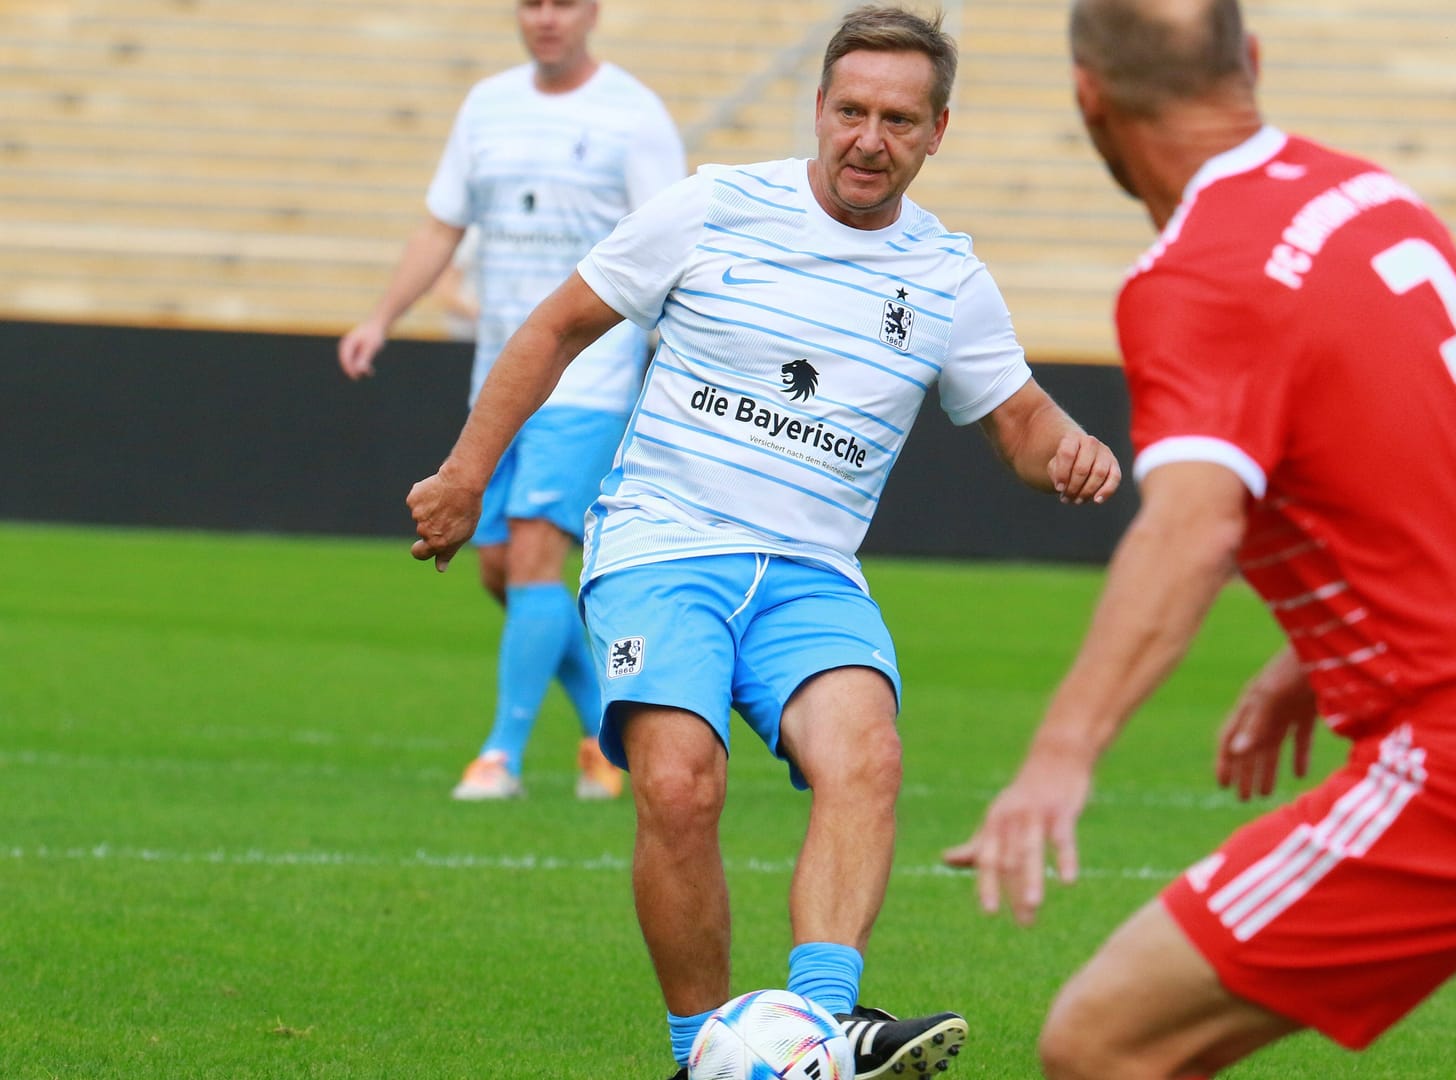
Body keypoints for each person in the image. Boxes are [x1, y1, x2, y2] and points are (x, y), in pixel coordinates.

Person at [942, 1, 1456, 1078]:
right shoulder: (1372, 193)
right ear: (1250, 62)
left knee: (1103, 1046)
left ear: (1091, 97)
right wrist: (1310, 656)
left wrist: (1057, 757)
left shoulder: (1193, 276)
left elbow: (1192, 525)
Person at [405, 6, 1122, 1077]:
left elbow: (1018, 420)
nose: (868, 138)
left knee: (866, 757)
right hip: (662, 548)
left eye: (896, 119)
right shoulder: (713, 206)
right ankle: (705, 1051)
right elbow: (555, 325)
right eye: (850, 111)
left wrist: (1069, 448)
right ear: (819, 109)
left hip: (809, 575)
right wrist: (467, 475)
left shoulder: (947, 279)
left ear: (937, 133)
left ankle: (816, 1033)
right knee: (680, 784)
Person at [339, 0, 686, 801]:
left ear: (591, 11)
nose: (546, 18)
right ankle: (610, 734)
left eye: (563, 3)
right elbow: (441, 226)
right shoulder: (487, 106)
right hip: (501, 382)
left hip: (591, 377)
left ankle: (500, 756)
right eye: (532, 2)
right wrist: (380, 317)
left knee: (534, 554)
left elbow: (672, 237)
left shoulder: (632, 114)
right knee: (498, 570)